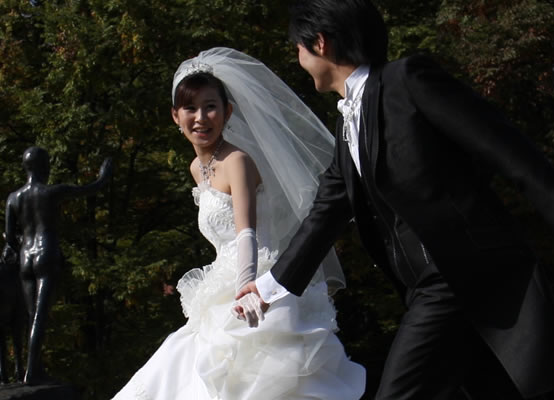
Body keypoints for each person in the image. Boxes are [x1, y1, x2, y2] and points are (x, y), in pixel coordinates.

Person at [236, 1, 554, 399]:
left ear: (320, 43)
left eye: (299, 48)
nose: (299, 58)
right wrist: (267, 287)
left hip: (468, 272)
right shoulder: (346, 125)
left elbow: (499, 141)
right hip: (430, 288)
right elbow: (326, 212)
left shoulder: (406, 80)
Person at [111, 47, 365, 400]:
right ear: (175, 115)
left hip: (252, 278)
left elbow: (247, 233)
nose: (201, 118)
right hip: (220, 279)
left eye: (210, 107)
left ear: (227, 111)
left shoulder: (237, 161)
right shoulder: (197, 167)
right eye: (190, 108)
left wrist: (247, 290)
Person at [4, 146, 111, 384]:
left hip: (25, 257)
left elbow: (10, 237)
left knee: (32, 315)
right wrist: (104, 173)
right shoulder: (52, 192)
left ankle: (33, 367)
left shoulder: (13, 198)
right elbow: (91, 188)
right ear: (44, 166)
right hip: (46, 253)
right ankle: (32, 371)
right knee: (40, 315)